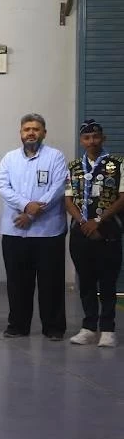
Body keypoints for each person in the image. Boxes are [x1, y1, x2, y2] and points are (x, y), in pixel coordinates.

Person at [0, 113, 69, 340]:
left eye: (36, 129)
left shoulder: (55, 157)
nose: (31, 133)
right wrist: (26, 206)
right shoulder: (9, 158)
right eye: (27, 129)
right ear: (20, 133)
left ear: (44, 133)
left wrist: (33, 213)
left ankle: (53, 327)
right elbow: (2, 186)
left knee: (51, 283)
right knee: (17, 282)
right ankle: (18, 325)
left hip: (49, 231)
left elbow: (58, 188)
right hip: (15, 231)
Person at [65, 120, 122, 348]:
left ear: (103, 138)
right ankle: (88, 327)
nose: (92, 141)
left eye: (96, 137)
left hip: (108, 230)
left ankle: (107, 329)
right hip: (81, 232)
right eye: (87, 138)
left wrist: (98, 221)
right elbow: (68, 199)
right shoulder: (74, 167)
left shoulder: (117, 164)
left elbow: (123, 197)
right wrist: (82, 221)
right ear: (81, 141)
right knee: (86, 281)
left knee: (107, 282)